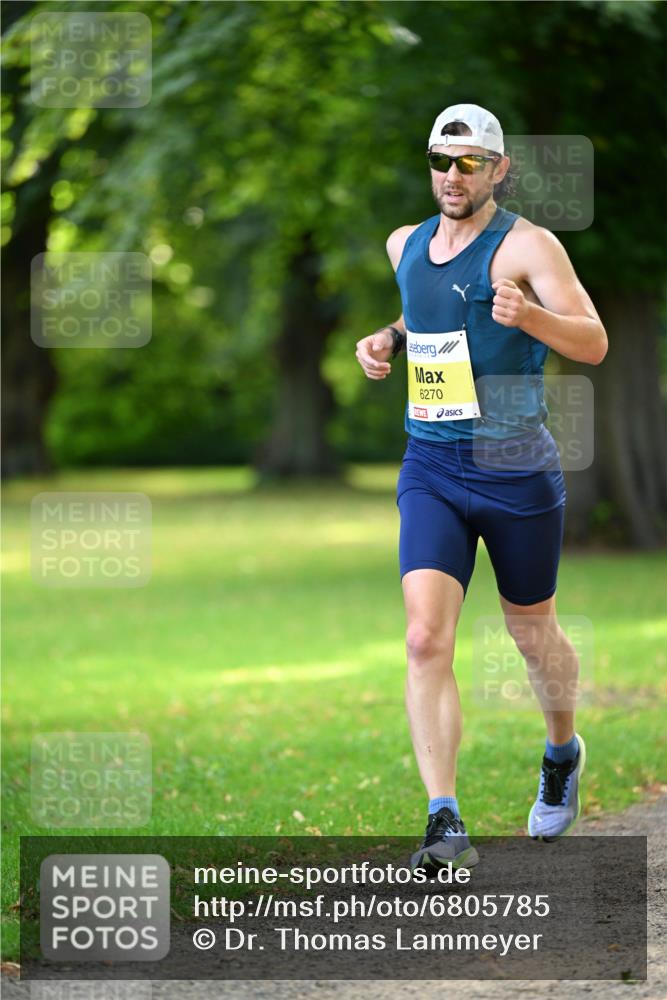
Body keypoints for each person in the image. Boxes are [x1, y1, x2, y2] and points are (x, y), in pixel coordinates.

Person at [355, 104, 607, 872]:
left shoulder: (528, 245)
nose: (452, 175)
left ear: (498, 169)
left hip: (512, 467)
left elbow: (592, 342)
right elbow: (424, 312)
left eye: (469, 162)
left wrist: (529, 315)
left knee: (531, 632)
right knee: (424, 636)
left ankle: (561, 751)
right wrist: (388, 339)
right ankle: (443, 821)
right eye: (441, 159)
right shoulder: (404, 243)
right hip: (430, 465)